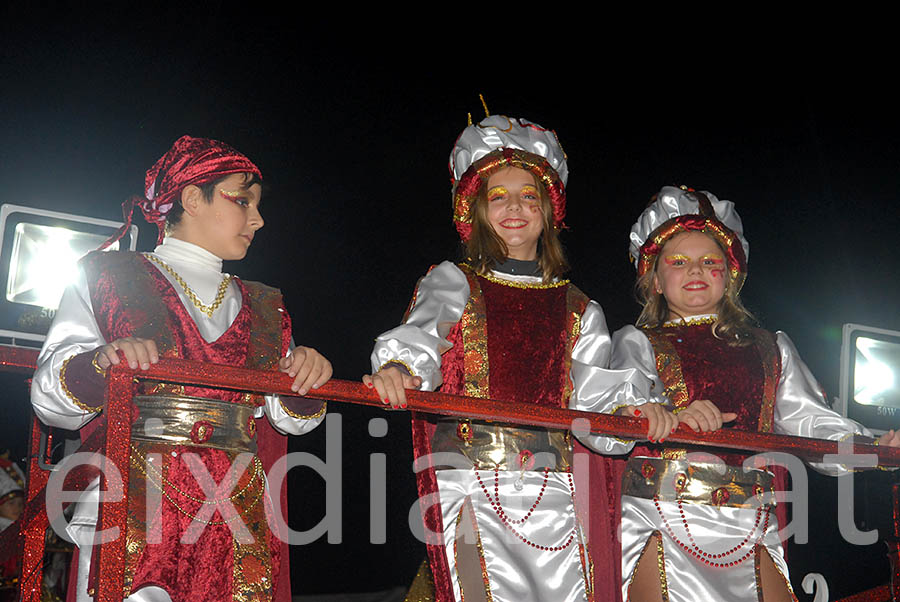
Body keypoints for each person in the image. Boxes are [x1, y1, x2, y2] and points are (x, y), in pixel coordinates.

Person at [364, 115, 659, 602]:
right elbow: (422, 339)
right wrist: (400, 368)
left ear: (549, 209)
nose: (514, 207)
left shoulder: (582, 308)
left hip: (556, 499)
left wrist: (627, 415)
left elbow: (599, 402)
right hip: (473, 485)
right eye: (498, 196)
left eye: (528, 195)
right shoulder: (454, 281)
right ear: (476, 209)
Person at [31, 135, 332, 602]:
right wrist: (102, 365)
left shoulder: (266, 304)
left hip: (235, 512)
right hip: (133, 502)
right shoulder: (108, 275)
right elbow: (50, 400)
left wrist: (307, 375)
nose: (258, 218)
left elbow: (291, 416)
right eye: (243, 200)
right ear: (192, 197)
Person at [605, 185, 900, 601]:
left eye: (710, 262)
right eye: (678, 262)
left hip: (750, 523)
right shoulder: (636, 342)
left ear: (730, 277)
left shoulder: (770, 347)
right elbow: (621, 405)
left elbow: (810, 423)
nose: (695, 271)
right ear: (653, 279)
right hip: (663, 518)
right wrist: (670, 413)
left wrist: (874, 448)